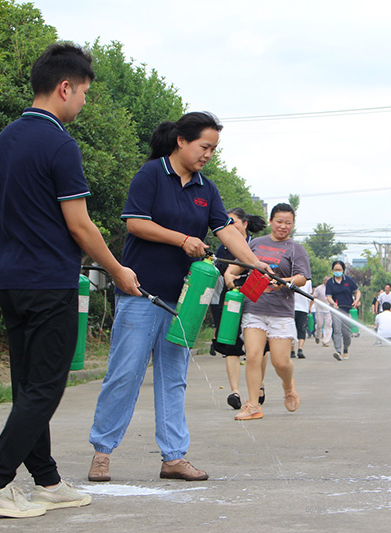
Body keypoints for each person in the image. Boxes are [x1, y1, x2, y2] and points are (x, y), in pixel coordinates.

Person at [0, 43, 141, 518]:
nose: (84, 101)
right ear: (65, 88)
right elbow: (80, 225)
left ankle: (46, 480)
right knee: (45, 388)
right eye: (84, 92)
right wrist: (117, 270)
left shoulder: (6, 138)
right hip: (50, 284)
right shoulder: (60, 144)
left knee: (29, 387)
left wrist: (26, 232)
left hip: (12, 282)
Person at [87, 112, 268, 482]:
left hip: (184, 301)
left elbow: (226, 231)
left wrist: (255, 263)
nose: (208, 155)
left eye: (213, 149)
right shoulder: (151, 174)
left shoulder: (207, 190)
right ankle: (102, 453)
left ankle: (173, 456)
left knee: (174, 377)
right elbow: (135, 223)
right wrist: (182, 239)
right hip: (142, 293)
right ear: (181, 141)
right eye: (204, 146)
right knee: (125, 374)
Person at [225, 203, 311, 420]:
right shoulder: (256, 244)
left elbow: (302, 278)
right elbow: (239, 264)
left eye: (288, 223)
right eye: (279, 221)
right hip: (254, 308)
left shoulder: (296, 249)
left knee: (280, 362)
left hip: (281, 311)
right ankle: (253, 405)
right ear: (271, 221)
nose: (283, 226)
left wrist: (286, 281)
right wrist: (229, 274)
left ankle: (288, 385)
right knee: (253, 356)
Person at [209, 208, 268, 410]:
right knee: (231, 343)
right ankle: (235, 391)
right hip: (231, 296)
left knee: (259, 346)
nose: (229, 226)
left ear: (245, 223)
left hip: (255, 295)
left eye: (232, 222)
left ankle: (259, 385)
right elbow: (219, 271)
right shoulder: (223, 248)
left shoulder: (257, 245)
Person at [325, 260, 361, 360]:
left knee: (346, 332)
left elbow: (357, 291)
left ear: (343, 270)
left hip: (347, 309)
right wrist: (333, 303)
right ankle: (338, 351)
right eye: (335, 269)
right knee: (337, 329)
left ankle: (345, 349)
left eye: (339, 269)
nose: (337, 271)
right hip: (336, 309)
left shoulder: (348, 280)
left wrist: (356, 300)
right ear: (332, 270)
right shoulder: (330, 282)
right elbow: (328, 296)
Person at [294, 278, 313, 358]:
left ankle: (297, 349)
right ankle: (299, 349)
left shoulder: (308, 281)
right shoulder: (292, 278)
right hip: (298, 308)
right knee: (300, 329)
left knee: (296, 329)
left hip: (301, 308)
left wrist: (309, 307)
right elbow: (310, 295)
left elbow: (310, 295)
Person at [312, 276, 333, 346]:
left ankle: (325, 341)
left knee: (328, 325)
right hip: (319, 309)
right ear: (324, 281)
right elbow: (314, 297)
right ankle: (317, 335)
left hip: (329, 309)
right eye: (326, 280)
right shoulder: (319, 288)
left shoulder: (332, 288)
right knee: (319, 325)